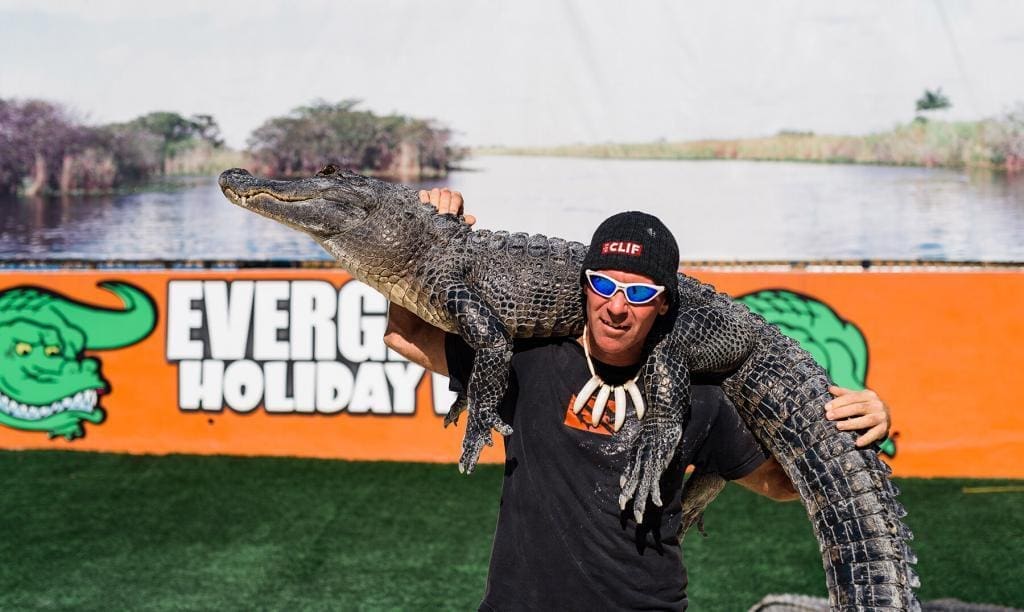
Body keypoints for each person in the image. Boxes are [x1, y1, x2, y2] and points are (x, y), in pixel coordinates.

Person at [384, 188, 891, 611]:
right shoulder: (533, 360)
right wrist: (428, 234)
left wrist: (857, 431)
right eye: (603, 285)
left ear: (664, 302)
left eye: (640, 293)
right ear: (584, 286)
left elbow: (781, 485)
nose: (617, 307)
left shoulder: (703, 393)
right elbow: (404, 336)